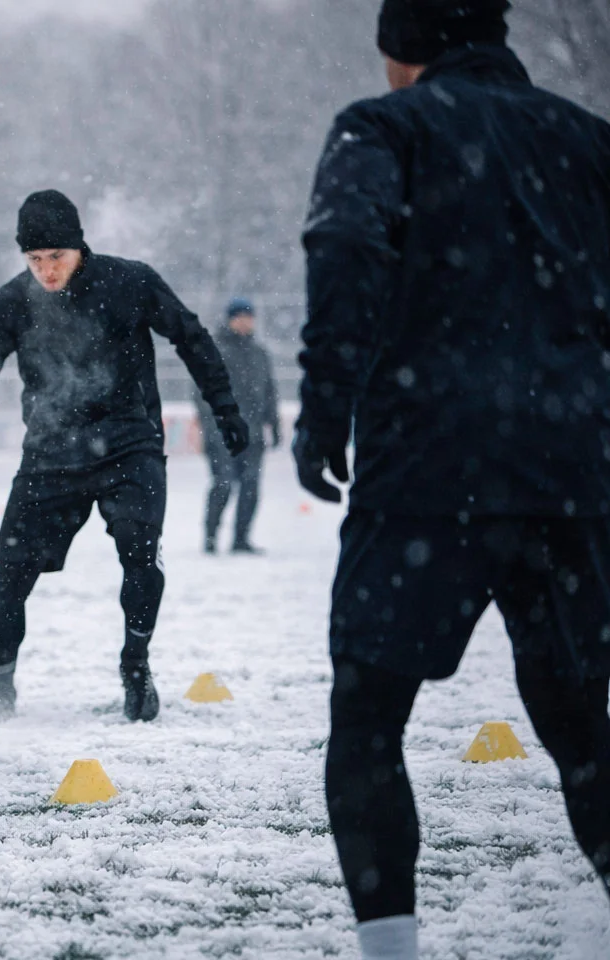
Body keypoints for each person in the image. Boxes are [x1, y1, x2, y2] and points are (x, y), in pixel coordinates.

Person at [294, 2, 610, 956]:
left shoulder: (381, 124)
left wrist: (324, 404)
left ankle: (391, 947)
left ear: (402, 51)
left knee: (369, 719)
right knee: (582, 724)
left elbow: (346, 249)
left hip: (428, 468)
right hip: (571, 472)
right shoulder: (590, 140)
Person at [0, 190, 248, 723]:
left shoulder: (130, 282)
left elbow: (191, 336)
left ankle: (135, 665)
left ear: (80, 248)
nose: (46, 270)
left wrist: (224, 407)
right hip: (49, 454)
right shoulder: (13, 299)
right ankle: (0, 689)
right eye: (35, 259)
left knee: (141, 558)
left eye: (57, 258)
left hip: (128, 446)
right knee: (9, 577)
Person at [195, 297, 280, 554]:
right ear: (230, 319)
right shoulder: (214, 350)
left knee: (251, 486)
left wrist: (273, 424)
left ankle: (241, 539)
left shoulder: (260, 354)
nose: (244, 322)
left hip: (253, 434)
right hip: (223, 433)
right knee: (223, 483)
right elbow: (202, 393)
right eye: (239, 317)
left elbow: (269, 392)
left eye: (248, 317)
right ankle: (210, 538)